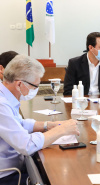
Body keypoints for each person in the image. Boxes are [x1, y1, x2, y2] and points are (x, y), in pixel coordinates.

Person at [0, 55, 79, 185]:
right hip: (8, 175)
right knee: (59, 176)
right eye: (35, 86)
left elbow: (19, 124)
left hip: (17, 165)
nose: (35, 90)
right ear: (19, 84)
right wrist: (60, 130)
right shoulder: (1, 105)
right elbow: (26, 145)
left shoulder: (5, 94)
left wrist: (49, 125)